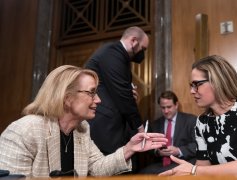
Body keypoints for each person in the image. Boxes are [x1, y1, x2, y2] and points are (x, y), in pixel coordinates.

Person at [0, 65, 167, 177]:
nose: (99, 100)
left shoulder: (82, 129)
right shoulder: (24, 130)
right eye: (92, 93)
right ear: (66, 98)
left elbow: (98, 167)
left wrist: (129, 149)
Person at [159, 55, 237, 176]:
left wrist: (193, 170)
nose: (192, 91)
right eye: (191, 86)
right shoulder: (202, 122)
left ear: (217, 81)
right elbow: (203, 169)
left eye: (196, 84)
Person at [85, 26, 149, 156]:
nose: (143, 54)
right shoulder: (112, 52)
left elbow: (119, 90)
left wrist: (130, 93)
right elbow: (122, 94)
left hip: (111, 124)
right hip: (103, 124)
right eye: (143, 49)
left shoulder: (120, 56)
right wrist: (139, 127)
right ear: (134, 41)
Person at [139, 90, 197, 174]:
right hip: (160, 163)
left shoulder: (190, 121)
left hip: (183, 162)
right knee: (142, 174)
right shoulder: (155, 124)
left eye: (169, 107)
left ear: (176, 105)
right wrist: (157, 152)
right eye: (163, 108)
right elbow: (148, 147)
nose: (166, 111)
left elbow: (197, 145)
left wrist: (178, 150)